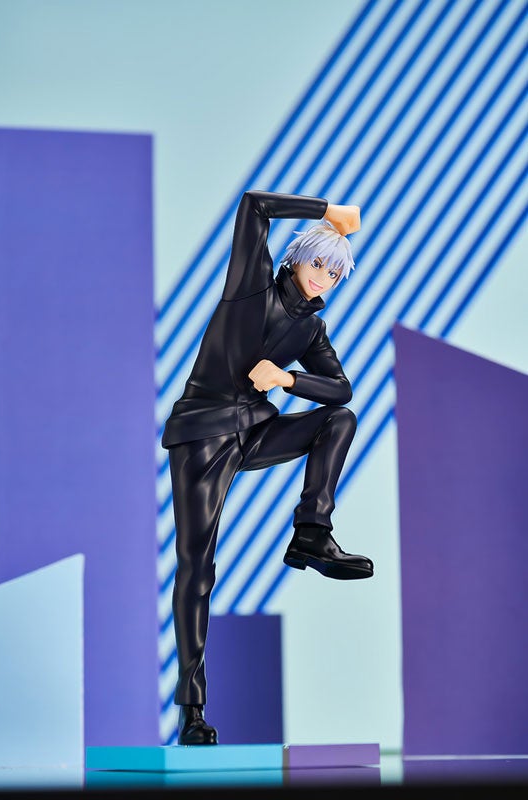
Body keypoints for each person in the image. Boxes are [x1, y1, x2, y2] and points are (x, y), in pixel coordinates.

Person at [161, 190, 374, 746]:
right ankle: (192, 711)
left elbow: (341, 389)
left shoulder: (311, 330)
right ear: (296, 259)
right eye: (319, 264)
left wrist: (288, 379)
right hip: (203, 434)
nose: (324, 278)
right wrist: (328, 213)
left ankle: (312, 533)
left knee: (340, 420)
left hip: (255, 431)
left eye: (336, 273)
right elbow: (254, 206)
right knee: (196, 569)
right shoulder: (250, 288)